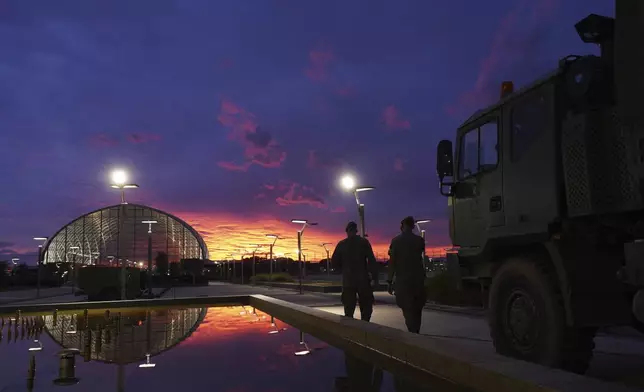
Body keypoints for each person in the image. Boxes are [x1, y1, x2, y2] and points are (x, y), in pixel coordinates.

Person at [387, 216, 427, 333]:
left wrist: (389, 281)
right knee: (417, 308)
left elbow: (392, 262)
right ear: (413, 226)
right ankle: (416, 331)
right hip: (418, 280)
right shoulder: (419, 240)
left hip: (403, 281)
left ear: (402, 226)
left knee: (407, 308)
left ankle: (412, 332)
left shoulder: (396, 241)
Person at [332, 221, 378, 321]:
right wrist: (374, 277)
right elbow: (372, 261)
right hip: (363, 280)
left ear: (347, 231)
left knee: (348, 309)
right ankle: (365, 328)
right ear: (356, 230)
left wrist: (343, 268)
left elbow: (334, 262)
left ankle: (350, 330)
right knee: (366, 308)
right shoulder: (364, 242)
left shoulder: (342, 244)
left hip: (348, 280)